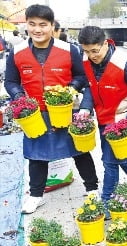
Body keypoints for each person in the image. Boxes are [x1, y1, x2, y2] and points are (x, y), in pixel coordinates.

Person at [4, 4, 99, 214]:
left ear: (52, 26)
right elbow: (10, 81)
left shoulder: (68, 50)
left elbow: (82, 77)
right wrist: (20, 98)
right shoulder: (17, 52)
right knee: (36, 154)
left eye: (43, 25)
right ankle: (36, 195)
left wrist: (70, 89)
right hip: (34, 114)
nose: (37, 29)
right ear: (26, 25)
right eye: (32, 24)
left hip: (66, 110)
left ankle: (92, 189)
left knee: (80, 151)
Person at [77, 26, 127, 215]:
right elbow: (90, 88)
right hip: (102, 117)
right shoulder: (85, 60)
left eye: (95, 50)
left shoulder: (126, 63)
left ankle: (107, 202)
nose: (91, 55)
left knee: (109, 160)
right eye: (86, 51)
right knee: (122, 157)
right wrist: (85, 108)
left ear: (105, 44)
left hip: (120, 118)